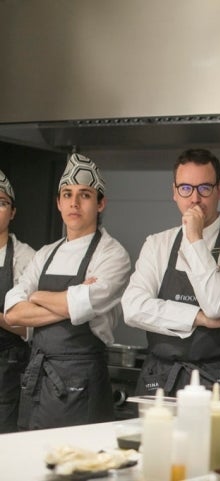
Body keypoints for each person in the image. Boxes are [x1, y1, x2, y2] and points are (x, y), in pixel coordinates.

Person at [5, 153, 131, 430]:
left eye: (85, 195)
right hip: (37, 377)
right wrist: (69, 302)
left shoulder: (112, 255)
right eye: (67, 194)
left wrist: (36, 296)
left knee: (78, 465)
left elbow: (78, 306)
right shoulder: (45, 253)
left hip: (81, 380)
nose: (74, 202)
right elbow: (13, 312)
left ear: (100, 203)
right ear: (58, 203)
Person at [122, 148, 220, 396]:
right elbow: (132, 308)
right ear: (174, 192)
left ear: (219, 190)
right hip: (160, 379)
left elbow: (218, 305)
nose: (195, 198)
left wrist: (195, 238)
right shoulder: (157, 243)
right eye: (186, 188)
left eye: (204, 188)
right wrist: (199, 318)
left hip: (218, 381)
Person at [0, 171, 36, 433]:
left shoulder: (27, 258)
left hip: (7, 373)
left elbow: (29, 327)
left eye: (1, 203)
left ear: (13, 212)